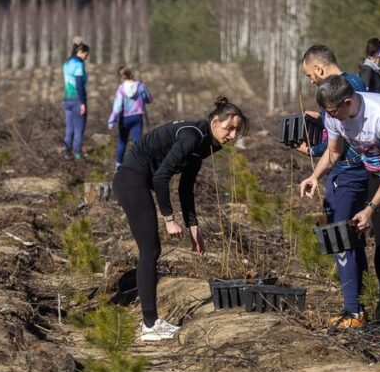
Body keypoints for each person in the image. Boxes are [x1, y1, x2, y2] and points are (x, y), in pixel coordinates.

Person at [114, 97, 248, 342]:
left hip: (139, 182)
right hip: (131, 180)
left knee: (151, 250)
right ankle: (150, 325)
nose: (233, 134)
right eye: (229, 128)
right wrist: (169, 218)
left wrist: (193, 228)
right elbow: (161, 177)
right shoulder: (191, 136)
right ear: (215, 121)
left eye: (237, 130)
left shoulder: (206, 142)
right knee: (150, 250)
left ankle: (150, 323)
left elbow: (186, 187)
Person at [299, 75, 380, 326]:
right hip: (376, 171)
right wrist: (315, 176)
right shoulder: (334, 115)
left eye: (334, 112)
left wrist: (369, 208)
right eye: (327, 113)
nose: (330, 117)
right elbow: (334, 153)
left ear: (348, 102)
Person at [296, 45, 369, 328]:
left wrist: (312, 151)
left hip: (348, 175)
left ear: (318, 69)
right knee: (348, 239)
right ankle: (357, 306)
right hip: (350, 173)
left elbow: (338, 145)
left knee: (340, 239)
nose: (310, 81)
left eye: (309, 76)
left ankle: (353, 312)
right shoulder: (354, 84)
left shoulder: (346, 89)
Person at [107, 66, 153, 171]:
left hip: (125, 118)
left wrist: (112, 121)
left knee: (122, 142)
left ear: (121, 76)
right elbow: (149, 99)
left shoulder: (121, 89)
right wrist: (143, 98)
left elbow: (117, 107)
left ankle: (118, 164)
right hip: (137, 116)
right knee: (137, 142)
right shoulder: (141, 86)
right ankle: (139, 165)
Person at [62, 40, 90, 159]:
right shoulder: (79, 64)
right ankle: (78, 156)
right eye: (86, 55)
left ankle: (66, 153)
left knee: (70, 128)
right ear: (81, 52)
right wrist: (83, 102)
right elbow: (79, 84)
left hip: (67, 100)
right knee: (79, 129)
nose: (86, 57)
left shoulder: (67, 63)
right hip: (77, 100)